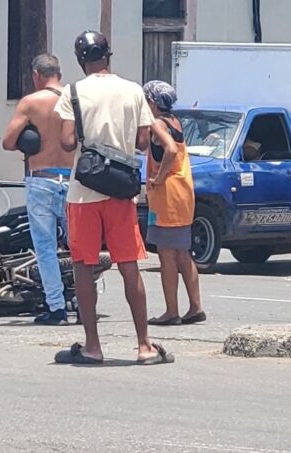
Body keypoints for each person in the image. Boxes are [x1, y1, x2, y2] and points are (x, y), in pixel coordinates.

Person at [52, 30, 173, 365]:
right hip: (121, 192)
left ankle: (93, 345)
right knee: (129, 265)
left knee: (83, 265)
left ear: (80, 60)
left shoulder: (72, 92)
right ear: (108, 56)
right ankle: (144, 346)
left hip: (83, 193)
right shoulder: (134, 91)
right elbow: (142, 143)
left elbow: (65, 142)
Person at [1, 54, 75, 325]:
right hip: (73, 180)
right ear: (59, 72)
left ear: (36, 75)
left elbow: (8, 142)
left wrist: (30, 138)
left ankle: (56, 309)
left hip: (42, 179)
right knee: (79, 248)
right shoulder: (75, 98)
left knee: (45, 249)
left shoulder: (31, 103)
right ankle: (82, 301)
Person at [141, 80, 205, 327]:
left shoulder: (157, 124)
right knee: (182, 252)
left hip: (167, 196)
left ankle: (171, 310)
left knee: (167, 255)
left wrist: (157, 176)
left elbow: (169, 149)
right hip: (183, 194)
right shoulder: (175, 122)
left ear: (153, 103)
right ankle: (195, 306)